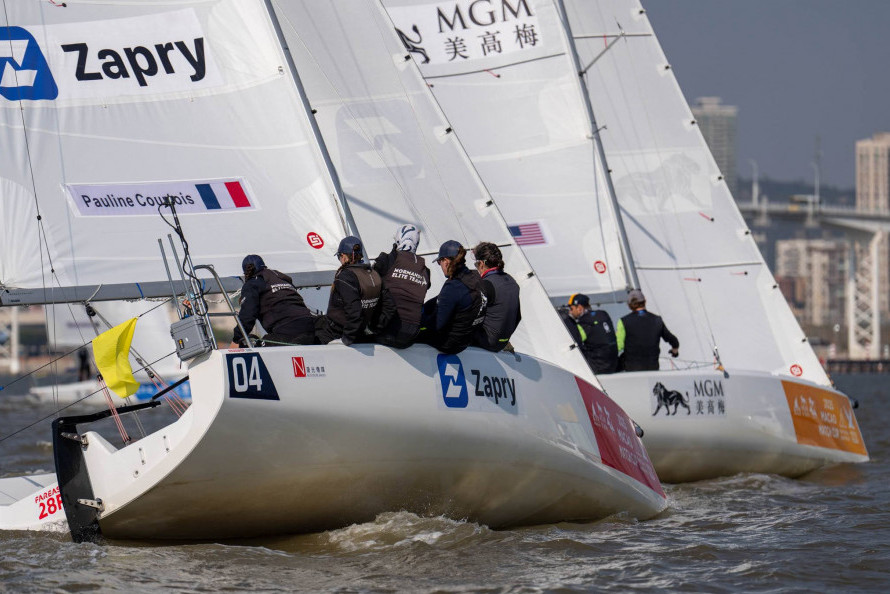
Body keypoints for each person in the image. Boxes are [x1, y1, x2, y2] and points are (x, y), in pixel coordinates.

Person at [230, 255, 316, 347]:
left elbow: (247, 316)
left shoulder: (252, 283)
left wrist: (237, 338)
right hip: (311, 327)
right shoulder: (281, 278)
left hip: (286, 331)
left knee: (247, 343)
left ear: (246, 272)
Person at [419, 240, 486, 354]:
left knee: (414, 331)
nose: (440, 266)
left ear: (445, 261)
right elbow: (447, 299)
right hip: (467, 340)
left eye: (439, 262)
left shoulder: (453, 287)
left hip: (450, 344)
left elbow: (437, 324)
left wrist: (418, 320)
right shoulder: (475, 276)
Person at [315, 236, 382, 346]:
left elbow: (355, 312)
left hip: (336, 332)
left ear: (344, 256)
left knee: (307, 328)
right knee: (317, 321)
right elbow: (388, 305)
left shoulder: (346, 276)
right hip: (360, 330)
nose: (340, 260)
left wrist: (346, 339)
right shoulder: (372, 273)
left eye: (339, 256)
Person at [372, 224, 430, 348]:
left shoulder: (386, 260)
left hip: (387, 332)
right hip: (410, 337)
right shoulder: (425, 271)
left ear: (399, 239)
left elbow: (370, 284)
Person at [471, 242, 520, 352]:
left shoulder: (486, 284)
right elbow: (517, 317)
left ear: (482, 264)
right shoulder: (512, 282)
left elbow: (470, 316)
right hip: (502, 342)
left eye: (476, 265)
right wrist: (504, 339)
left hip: (487, 342)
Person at [617, 289, 679, 371]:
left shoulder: (623, 321)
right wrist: (675, 350)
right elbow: (673, 340)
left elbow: (619, 345)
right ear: (645, 301)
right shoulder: (657, 320)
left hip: (632, 369)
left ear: (629, 305)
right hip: (652, 368)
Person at [561, 293, 618, 374]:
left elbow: (574, 341)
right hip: (613, 364)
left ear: (579, 308)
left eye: (571, 308)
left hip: (597, 368)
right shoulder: (603, 314)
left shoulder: (583, 324)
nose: (570, 312)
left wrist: (567, 321)